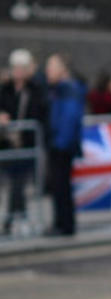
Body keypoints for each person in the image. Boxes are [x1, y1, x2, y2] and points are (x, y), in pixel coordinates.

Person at [0, 48, 48, 234]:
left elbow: (39, 112)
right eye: (15, 67)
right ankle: (18, 217)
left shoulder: (35, 89)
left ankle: (12, 220)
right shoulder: (5, 89)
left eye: (22, 68)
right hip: (7, 144)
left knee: (18, 184)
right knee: (14, 184)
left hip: (26, 143)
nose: (17, 71)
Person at [44, 53, 84, 236]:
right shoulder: (58, 89)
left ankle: (65, 225)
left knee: (62, 187)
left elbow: (69, 118)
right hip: (57, 144)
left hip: (61, 147)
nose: (47, 70)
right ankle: (61, 223)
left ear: (62, 69)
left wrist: (59, 143)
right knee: (58, 188)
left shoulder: (68, 89)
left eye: (51, 66)